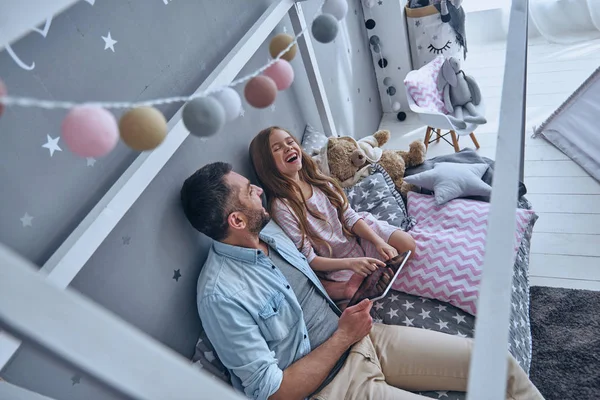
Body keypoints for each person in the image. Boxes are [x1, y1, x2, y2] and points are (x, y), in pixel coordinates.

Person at [180, 161, 544, 400]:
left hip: (365, 338)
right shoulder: (220, 295)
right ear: (236, 222)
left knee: (496, 363)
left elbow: (305, 288)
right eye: (249, 192)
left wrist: (351, 291)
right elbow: (271, 392)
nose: (259, 190)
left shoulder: (270, 232)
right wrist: (343, 336)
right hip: (334, 386)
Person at [249, 126, 415, 287]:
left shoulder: (318, 180)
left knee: (408, 245)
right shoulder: (282, 207)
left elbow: (349, 216)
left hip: (357, 236)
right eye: (277, 148)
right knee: (361, 289)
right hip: (336, 262)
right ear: (267, 164)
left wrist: (379, 242)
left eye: (290, 142)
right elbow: (310, 258)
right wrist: (351, 264)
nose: (288, 148)